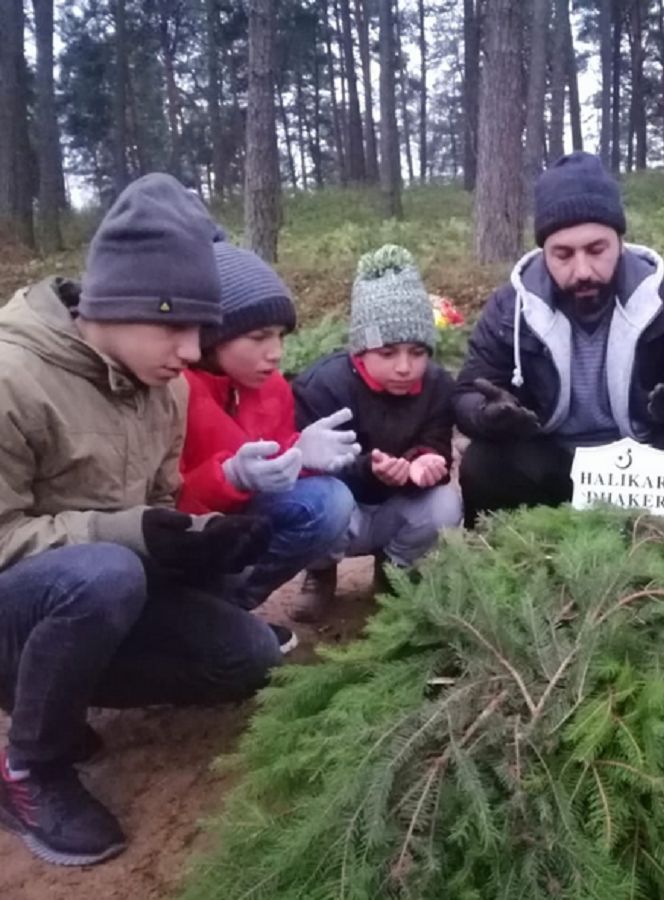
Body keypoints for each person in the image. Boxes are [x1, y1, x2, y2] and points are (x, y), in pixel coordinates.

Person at [0, 174, 283, 867]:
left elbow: (152, 509)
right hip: (20, 612)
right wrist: (125, 539)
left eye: (201, 330)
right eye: (177, 326)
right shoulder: (12, 379)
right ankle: (29, 767)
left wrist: (195, 543)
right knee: (104, 574)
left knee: (247, 655)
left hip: (88, 600)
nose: (193, 352)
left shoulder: (166, 390)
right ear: (118, 304)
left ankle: (67, 697)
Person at [454, 151, 664, 526]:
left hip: (643, 459)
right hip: (553, 461)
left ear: (619, 240)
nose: (582, 270)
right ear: (544, 251)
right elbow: (466, 395)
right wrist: (487, 416)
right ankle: (506, 565)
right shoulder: (511, 307)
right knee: (484, 463)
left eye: (596, 250)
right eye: (563, 255)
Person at [178, 238, 359, 620]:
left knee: (330, 500)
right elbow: (159, 503)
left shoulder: (271, 385)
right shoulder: (175, 391)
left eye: (280, 335)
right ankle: (187, 614)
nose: (275, 352)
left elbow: (272, 458)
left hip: (239, 521)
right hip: (183, 533)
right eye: (259, 337)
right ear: (212, 336)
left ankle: (228, 611)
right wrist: (229, 478)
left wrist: (300, 452)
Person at [291, 245, 462, 621]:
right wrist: (370, 468)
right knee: (312, 502)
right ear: (360, 351)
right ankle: (320, 572)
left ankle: (395, 569)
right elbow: (307, 468)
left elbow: (438, 444)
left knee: (446, 504)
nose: (405, 367)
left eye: (417, 352)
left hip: (396, 504)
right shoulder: (322, 386)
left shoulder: (437, 385)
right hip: (343, 505)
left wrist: (426, 463)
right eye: (388, 353)